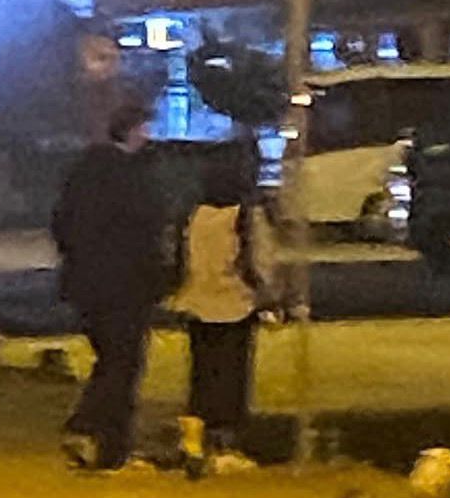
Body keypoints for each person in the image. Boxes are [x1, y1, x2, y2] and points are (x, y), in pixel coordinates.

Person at [51, 100, 167, 472]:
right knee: (123, 363)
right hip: (125, 285)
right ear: (133, 131)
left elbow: (62, 224)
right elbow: (145, 230)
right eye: (145, 129)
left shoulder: (84, 173)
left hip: (86, 284)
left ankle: (106, 444)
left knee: (111, 359)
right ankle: (92, 430)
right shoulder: (129, 178)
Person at [172, 138, 279, 475]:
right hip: (234, 303)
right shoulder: (245, 213)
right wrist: (270, 296)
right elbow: (261, 260)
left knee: (202, 374)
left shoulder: (195, 211)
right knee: (231, 377)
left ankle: (192, 439)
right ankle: (224, 445)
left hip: (196, 301)